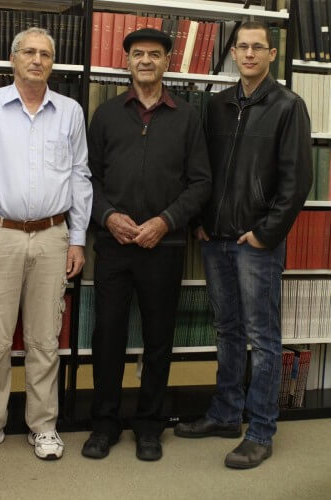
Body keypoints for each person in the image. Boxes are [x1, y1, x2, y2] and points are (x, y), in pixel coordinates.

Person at [0, 27, 92, 460]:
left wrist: (77, 239)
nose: (36, 59)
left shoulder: (69, 112)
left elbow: (80, 178)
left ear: (52, 63)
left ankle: (43, 426)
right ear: (13, 59)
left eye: (45, 54)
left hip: (52, 237)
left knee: (45, 338)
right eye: (28, 52)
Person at [174, 21, 312, 469]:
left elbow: (296, 183)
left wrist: (265, 233)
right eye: (242, 47)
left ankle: (261, 430)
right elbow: (200, 171)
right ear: (233, 53)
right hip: (215, 239)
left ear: (272, 54)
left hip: (256, 244)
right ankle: (225, 414)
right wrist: (200, 221)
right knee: (227, 331)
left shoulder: (289, 106)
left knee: (263, 338)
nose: (249, 53)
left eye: (258, 47)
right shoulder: (214, 107)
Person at [81, 28, 212, 462]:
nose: (146, 61)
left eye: (155, 54)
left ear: (167, 63)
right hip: (114, 245)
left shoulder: (188, 117)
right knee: (108, 337)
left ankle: (150, 425)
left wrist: (166, 221)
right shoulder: (106, 115)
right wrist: (107, 217)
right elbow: (89, 180)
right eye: (138, 54)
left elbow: (200, 183)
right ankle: (104, 424)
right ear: (127, 62)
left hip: (165, 245)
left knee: (159, 340)